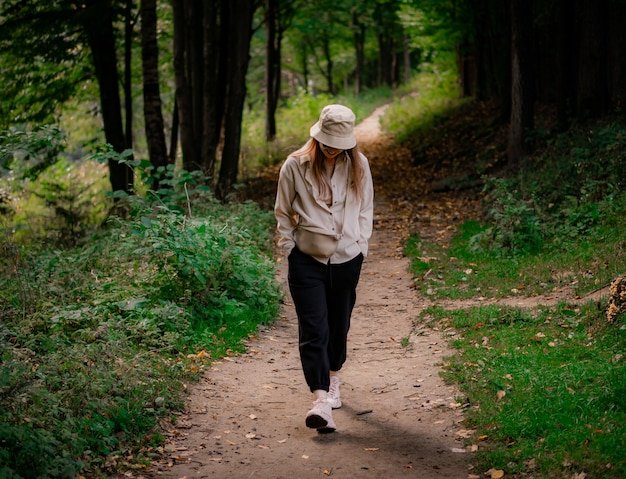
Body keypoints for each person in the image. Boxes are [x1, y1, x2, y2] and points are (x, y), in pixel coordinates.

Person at [274, 104, 374, 433]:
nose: (333, 150)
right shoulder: (294, 165)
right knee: (313, 329)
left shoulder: (359, 164)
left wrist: (361, 246)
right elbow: (282, 212)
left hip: (347, 258)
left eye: (339, 145)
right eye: (328, 143)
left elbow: (365, 208)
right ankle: (320, 401)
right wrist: (289, 249)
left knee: (338, 325)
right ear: (317, 138)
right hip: (306, 259)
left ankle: (334, 380)